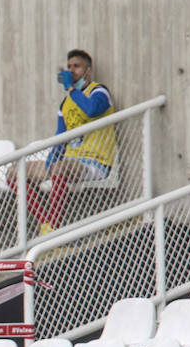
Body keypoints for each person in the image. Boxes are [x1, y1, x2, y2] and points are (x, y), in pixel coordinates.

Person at [8, 49, 113, 235]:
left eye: (77, 67)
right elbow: (60, 138)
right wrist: (50, 161)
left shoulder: (99, 91)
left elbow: (91, 110)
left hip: (95, 163)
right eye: (69, 67)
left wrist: (72, 89)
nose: (71, 71)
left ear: (88, 71)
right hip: (67, 163)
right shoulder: (65, 104)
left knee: (60, 167)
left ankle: (54, 227)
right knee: (14, 172)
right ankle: (46, 224)